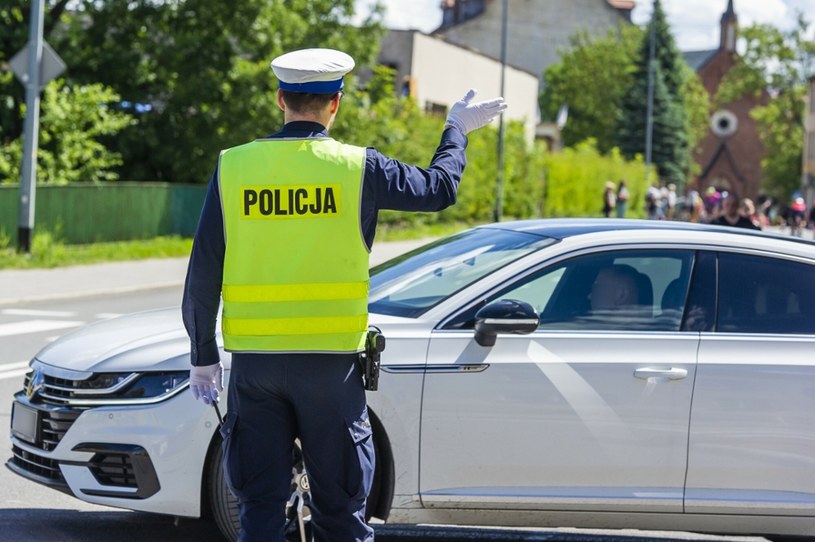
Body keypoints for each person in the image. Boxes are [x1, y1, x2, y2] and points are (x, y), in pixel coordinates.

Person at [181, 48, 506, 542]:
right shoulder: (359, 168)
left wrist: (202, 356)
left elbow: (203, 271)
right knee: (340, 515)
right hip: (331, 371)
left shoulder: (234, 167)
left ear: (279, 99)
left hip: (256, 367)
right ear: (336, 104)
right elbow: (439, 188)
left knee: (259, 511)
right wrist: (455, 128)